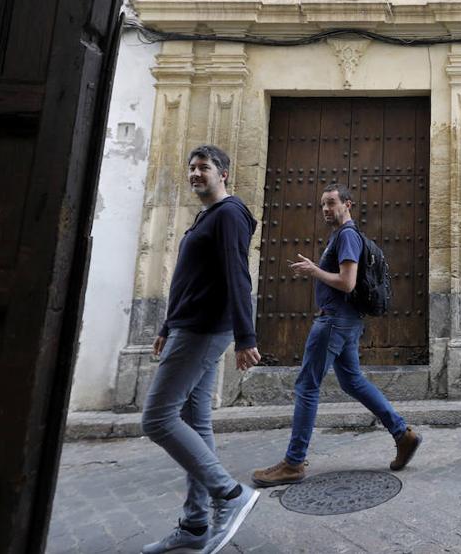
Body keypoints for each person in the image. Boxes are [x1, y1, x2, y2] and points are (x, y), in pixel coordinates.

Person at [251, 183, 422, 487]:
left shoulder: (346, 236)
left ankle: (293, 462)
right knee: (351, 380)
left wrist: (314, 270)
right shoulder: (342, 236)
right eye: (322, 205)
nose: (326, 209)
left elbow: (347, 283)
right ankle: (402, 434)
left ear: (348, 204)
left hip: (334, 321)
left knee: (307, 384)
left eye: (331, 202)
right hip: (346, 321)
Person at [140, 145, 261, 554]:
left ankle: (229, 493)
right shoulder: (207, 216)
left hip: (203, 330)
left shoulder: (229, 215)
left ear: (223, 174)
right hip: (187, 326)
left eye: (203, 167)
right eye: (191, 167)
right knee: (195, 422)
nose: (195, 173)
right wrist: (166, 324)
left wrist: (247, 337)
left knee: (157, 418)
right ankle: (195, 526)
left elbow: (236, 274)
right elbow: (189, 279)